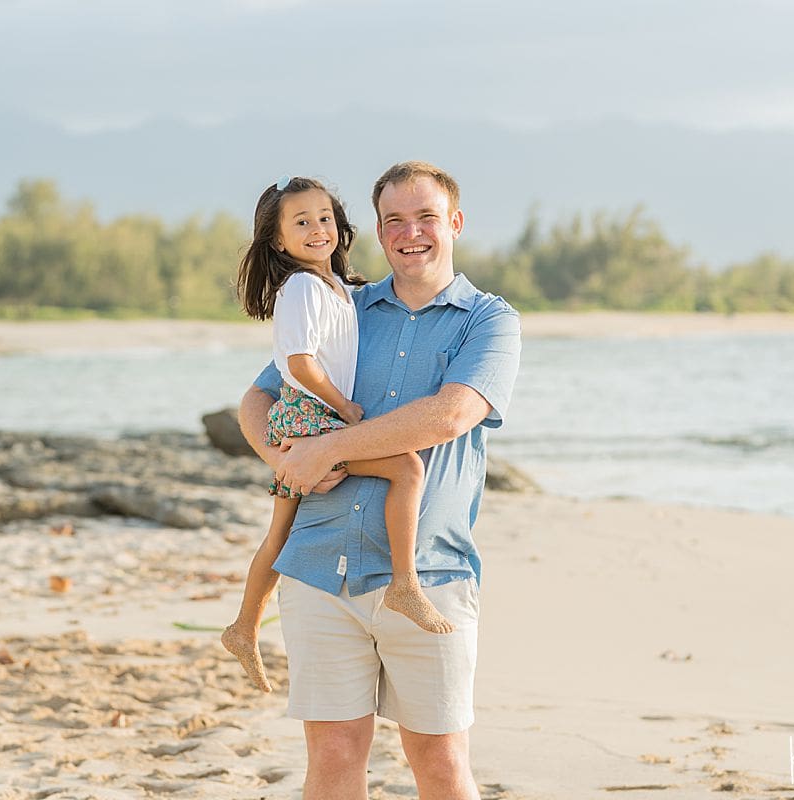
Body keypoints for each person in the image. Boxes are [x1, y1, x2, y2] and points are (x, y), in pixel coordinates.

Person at [237, 161, 521, 800]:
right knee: (333, 757)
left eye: (425, 217)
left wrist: (328, 447)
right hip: (318, 571)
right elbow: (257, 400)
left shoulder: (488, 320)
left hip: (428, 573)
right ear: (376, 228)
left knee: (441, 763)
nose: (410, 232)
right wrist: (287, 460)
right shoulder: (343, 303)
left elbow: (452, 413)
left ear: (455, 222)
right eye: (394, 219)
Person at [222, 176, 457, 696]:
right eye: (300, 222)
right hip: (310, 413)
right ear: (279, 241)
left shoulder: (340, 290)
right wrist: (344, 408)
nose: (316, 229)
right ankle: (406, 584)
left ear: (341, 226)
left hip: (304, 417)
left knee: (280, 530)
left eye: (324, 218)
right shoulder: (304, 288)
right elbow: (300, 365)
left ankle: (243, 626)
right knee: (407, 468)